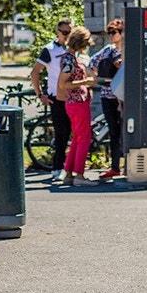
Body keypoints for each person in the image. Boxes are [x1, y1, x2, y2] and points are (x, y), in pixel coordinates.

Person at [30, 18, 73, 183]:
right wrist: (41, 94)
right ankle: (58, 168)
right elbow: (35, 72)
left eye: (70, 32)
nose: (67, 36)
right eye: (64, 33)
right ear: (57, 32)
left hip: (74, 96)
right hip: (57, 97)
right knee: (61, 134)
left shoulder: (74, 49)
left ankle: (71, 167)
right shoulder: (50, 49)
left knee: (74, 133)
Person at [55, 26, 94, 186]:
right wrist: (86, 82)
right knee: (84, 138)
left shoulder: (69, 57)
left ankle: (69, 173)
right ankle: (79, 175)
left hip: (74, 103)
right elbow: (63, 84)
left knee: (78, 138)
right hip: (77, 103)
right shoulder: (70, 59)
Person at [89, 21, 124, 182]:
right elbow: (91, 63)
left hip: (123, 96)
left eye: (114, 32)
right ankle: (115, 166)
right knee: (114, 131)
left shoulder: (127, 50)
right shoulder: (108, 51)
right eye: (109, 32)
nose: (111, 35)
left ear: (122, 33)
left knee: (125, 130)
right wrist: (98, 78)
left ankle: (124, 164)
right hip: (108, 95)